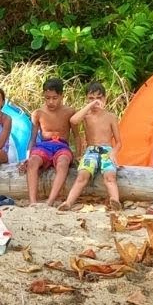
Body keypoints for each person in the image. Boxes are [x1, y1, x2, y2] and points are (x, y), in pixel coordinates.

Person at [58, 82, 122, 211]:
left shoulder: (111, 117)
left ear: (104, 99)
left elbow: (119, 142)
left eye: (98, 98)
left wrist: (114, 152)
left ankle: (115, 201)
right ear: (87, 99)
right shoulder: (86, 116)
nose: (95, 102)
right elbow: (73, 121)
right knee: (82, 175)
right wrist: (90, 106)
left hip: (106, 151)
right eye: (91, 98)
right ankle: (68, 203)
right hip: (91, 150)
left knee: (110, 176)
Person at [19, 77, 77, 206]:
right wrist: (27, 157)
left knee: (63, 163)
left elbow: (77, 136)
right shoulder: (38, 113)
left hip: (62, 146)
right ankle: (33, 201)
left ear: (62, 96)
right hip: (44, 146)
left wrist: (79, 155)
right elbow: (33, 137)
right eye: (47, 98)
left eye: (54, 98)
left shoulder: (70, 112)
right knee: (33, 162)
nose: (51, 102)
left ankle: (50, 201)